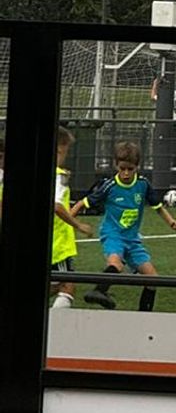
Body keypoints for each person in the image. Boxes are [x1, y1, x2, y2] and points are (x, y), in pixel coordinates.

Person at [73, 140, 176, 311]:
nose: (125, 173)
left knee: (152, 279)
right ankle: (97, 292)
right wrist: (70, 221)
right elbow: (82, 203)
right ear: (116, 165)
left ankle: (144, 315)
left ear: (137, 167)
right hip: (112, 234)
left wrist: (172, 222)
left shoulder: (143, 184)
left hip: (132, 240)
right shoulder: (109, 186)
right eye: (122, 168)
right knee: (116, 264)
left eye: (130, 169)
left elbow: (158, 207)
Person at [51, 127, 92, 310]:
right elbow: (57, 206)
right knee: (67, 286)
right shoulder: (58, 177)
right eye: (64, 152)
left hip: (54, 243)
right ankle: (52, 328)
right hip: (57, 245)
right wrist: (79, 225)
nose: (64, 157)